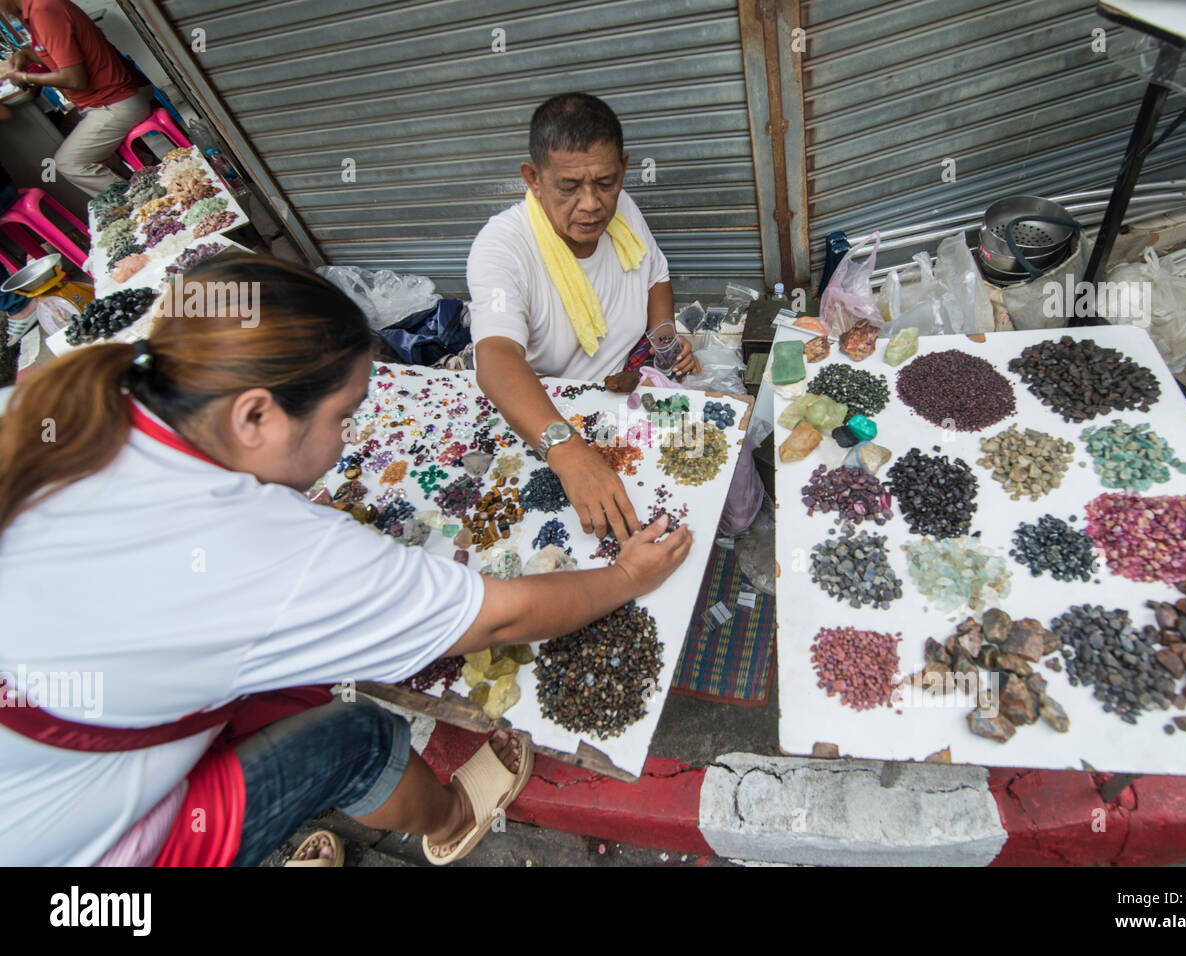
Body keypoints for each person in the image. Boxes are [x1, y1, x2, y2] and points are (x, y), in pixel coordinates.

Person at [0, 255, 693, 866]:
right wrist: (628, 576)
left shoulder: (77, 399)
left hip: (54, 764)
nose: (344, 442)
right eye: (343, 416)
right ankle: (451, 817)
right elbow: (494, 617)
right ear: (254, 418)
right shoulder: (264, 552)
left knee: (288, 686)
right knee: (355, 734)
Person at [468, 92, 702, 544]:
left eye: (606, 182)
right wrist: (568, 452)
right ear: (533, 178)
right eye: (569, 187)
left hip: (636, 377)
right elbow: (496, 357)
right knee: (607, 532)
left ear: (623, 168)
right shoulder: (501, 247)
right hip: (556, 408)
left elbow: (656, 275)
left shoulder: (623, 208)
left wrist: (666, 341)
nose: (592, 204)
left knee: (712, 494)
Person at [0, 0, 152, 196]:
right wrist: (25, 55)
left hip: (114, 102)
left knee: (69, 163)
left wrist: (23, 77)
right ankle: (128, 179)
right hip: (106, 100)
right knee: (65, 128)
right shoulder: (36, 10)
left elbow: (75, 80)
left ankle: (140, 200)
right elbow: (55, 55)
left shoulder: (43, 10)